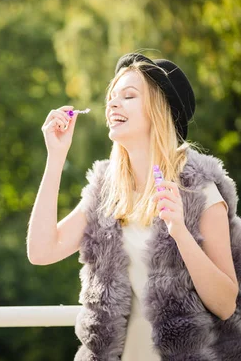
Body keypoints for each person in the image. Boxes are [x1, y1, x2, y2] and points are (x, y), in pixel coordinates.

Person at [27, 52, 241, 360]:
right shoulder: (107, 191)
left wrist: (180, 232)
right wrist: (56, 157)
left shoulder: (199, 191)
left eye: (128, 96)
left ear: (159, 110)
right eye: (112, 97)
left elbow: (225, 303)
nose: (113, 103)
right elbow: (41, 250)